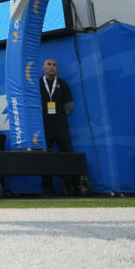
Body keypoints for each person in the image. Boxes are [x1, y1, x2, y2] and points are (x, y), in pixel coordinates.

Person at [39, 58, 75, 195]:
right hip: (43, 126)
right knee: (45, 156)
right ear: (43, 67)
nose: (52, 67)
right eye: (49, 64)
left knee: (67, 153)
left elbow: (69, 105)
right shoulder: (37, 83)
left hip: (60, 125)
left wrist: (59, 117)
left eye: (54, 65)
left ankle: (71, 185)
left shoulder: (62, 84)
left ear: (57, 69)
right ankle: (47, 188)